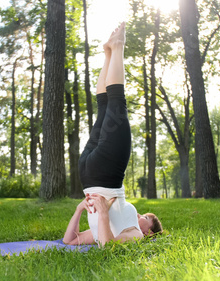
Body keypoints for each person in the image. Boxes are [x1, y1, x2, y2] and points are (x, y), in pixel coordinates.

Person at [63, 22, 163, 246]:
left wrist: (91, 212)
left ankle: (118, 46)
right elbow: (72, 241)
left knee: (117, 102)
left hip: (103, 174)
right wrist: (83, 211)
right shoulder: (112, 226)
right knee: (105, 105)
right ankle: (109, 52)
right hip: (90, 172)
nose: (141, 216)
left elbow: (105, 246)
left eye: (146, 218)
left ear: (148, 233)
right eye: (144, 215)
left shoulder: (135, 235)